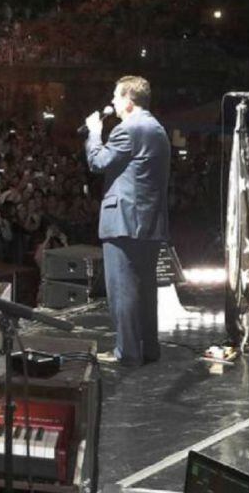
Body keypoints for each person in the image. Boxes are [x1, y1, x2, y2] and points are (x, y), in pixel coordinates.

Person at [85, 75, 169, 366]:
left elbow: (98, 162)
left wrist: (94, 133)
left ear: (128, 101)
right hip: (149, 221)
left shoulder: (127, 129)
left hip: (123, 220)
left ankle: (128, 352)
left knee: (123, 290)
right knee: (145, 289)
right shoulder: (157, 129)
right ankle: (148, 348)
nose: (113, 103)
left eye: (116, 98)